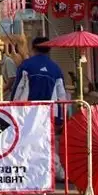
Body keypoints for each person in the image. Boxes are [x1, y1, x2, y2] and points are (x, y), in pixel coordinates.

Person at [10, 36, 67, 181]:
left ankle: (28, 172)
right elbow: (62, 95)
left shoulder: (26, 66)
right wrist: (62, 116)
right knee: (49, 141)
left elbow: (18, 89)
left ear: (33, 48)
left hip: (28, 112)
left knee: (27, 141)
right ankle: (57, 172)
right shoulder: (56, 69)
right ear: (49, 49)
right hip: (51, 112)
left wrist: (12, 108)